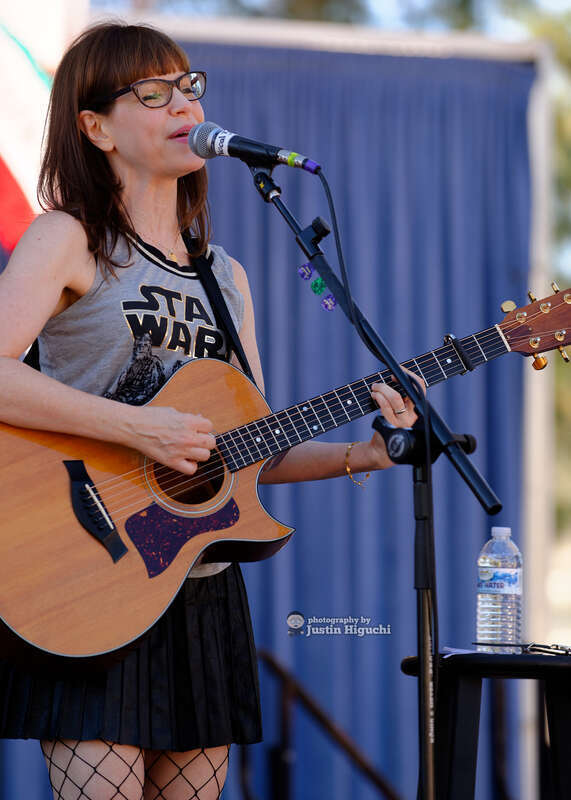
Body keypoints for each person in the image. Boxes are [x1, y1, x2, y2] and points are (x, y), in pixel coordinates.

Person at [0, 21, 420, 800]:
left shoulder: (224, 277)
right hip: (85, 567)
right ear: (96, 127)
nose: (183, 106)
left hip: (199, 587)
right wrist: (138, 427)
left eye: (188, 87)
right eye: (152, 93)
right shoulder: (68, 237)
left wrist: (364, 453)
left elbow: (248, 449)